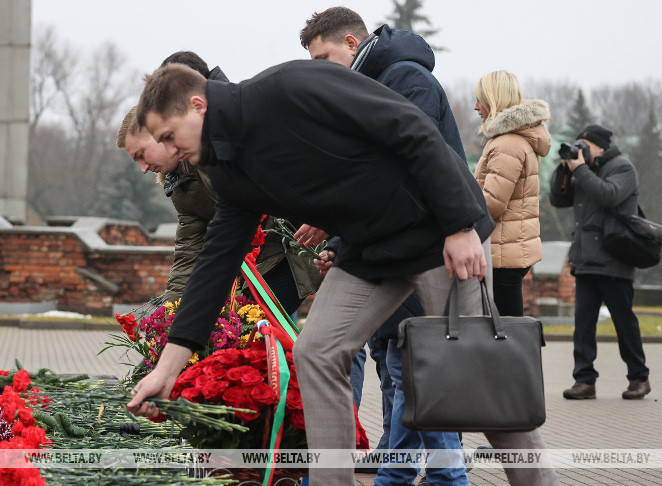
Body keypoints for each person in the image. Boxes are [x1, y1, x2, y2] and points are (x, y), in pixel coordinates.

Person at [127, 61, 559, 486]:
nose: (168, 149)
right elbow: (216, 263)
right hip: (370, 248)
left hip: (437, 231)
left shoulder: (288, 88)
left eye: (168, 135)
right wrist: (167, 370)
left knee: (477, 369)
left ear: (198, 106)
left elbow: (410, 126)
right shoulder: (228, 171)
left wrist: (461, 224)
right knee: (316, 351)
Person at [301, 9, 470, 484]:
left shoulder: (405, 80)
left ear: (352, 43)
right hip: (388, 250)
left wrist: (334, 222)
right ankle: (395, 479)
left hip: (428, 250)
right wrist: (340, 235)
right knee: (404, 369)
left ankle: (445, 479)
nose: (320, 68)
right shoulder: (360, 89)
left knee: (423, 372)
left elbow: (403, 172)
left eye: (324, 56)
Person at [116, 51, 322, 314]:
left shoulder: (224, 144)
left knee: (269, 337)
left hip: (295, 250)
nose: (143, 168)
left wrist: (321, 214)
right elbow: (191, 251)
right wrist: (170, 309)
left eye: (141, 155)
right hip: (258, 265)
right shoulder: (180, 186)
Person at [550, 124, 651, 400]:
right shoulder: (583, 170)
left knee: (624, 323)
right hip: (585, 260)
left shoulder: (622, 167)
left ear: (600, 147)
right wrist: (563, 169)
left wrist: (580, 169)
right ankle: (584, 381)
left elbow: (609, 195)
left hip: (614, 259)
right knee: (583, 325)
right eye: (577, 144)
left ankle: (639, 377)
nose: (580, 149)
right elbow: (558, 199)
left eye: (585, 144)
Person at [473, 71, 550, 316]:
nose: (476, 107)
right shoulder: (514, 140)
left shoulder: (506, 144)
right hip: (508, 246)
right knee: (506, 328)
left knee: (505, 331)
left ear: (494, 101)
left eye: (480, 100)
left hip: (502, 250)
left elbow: (492, 204)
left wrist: (458, 210)